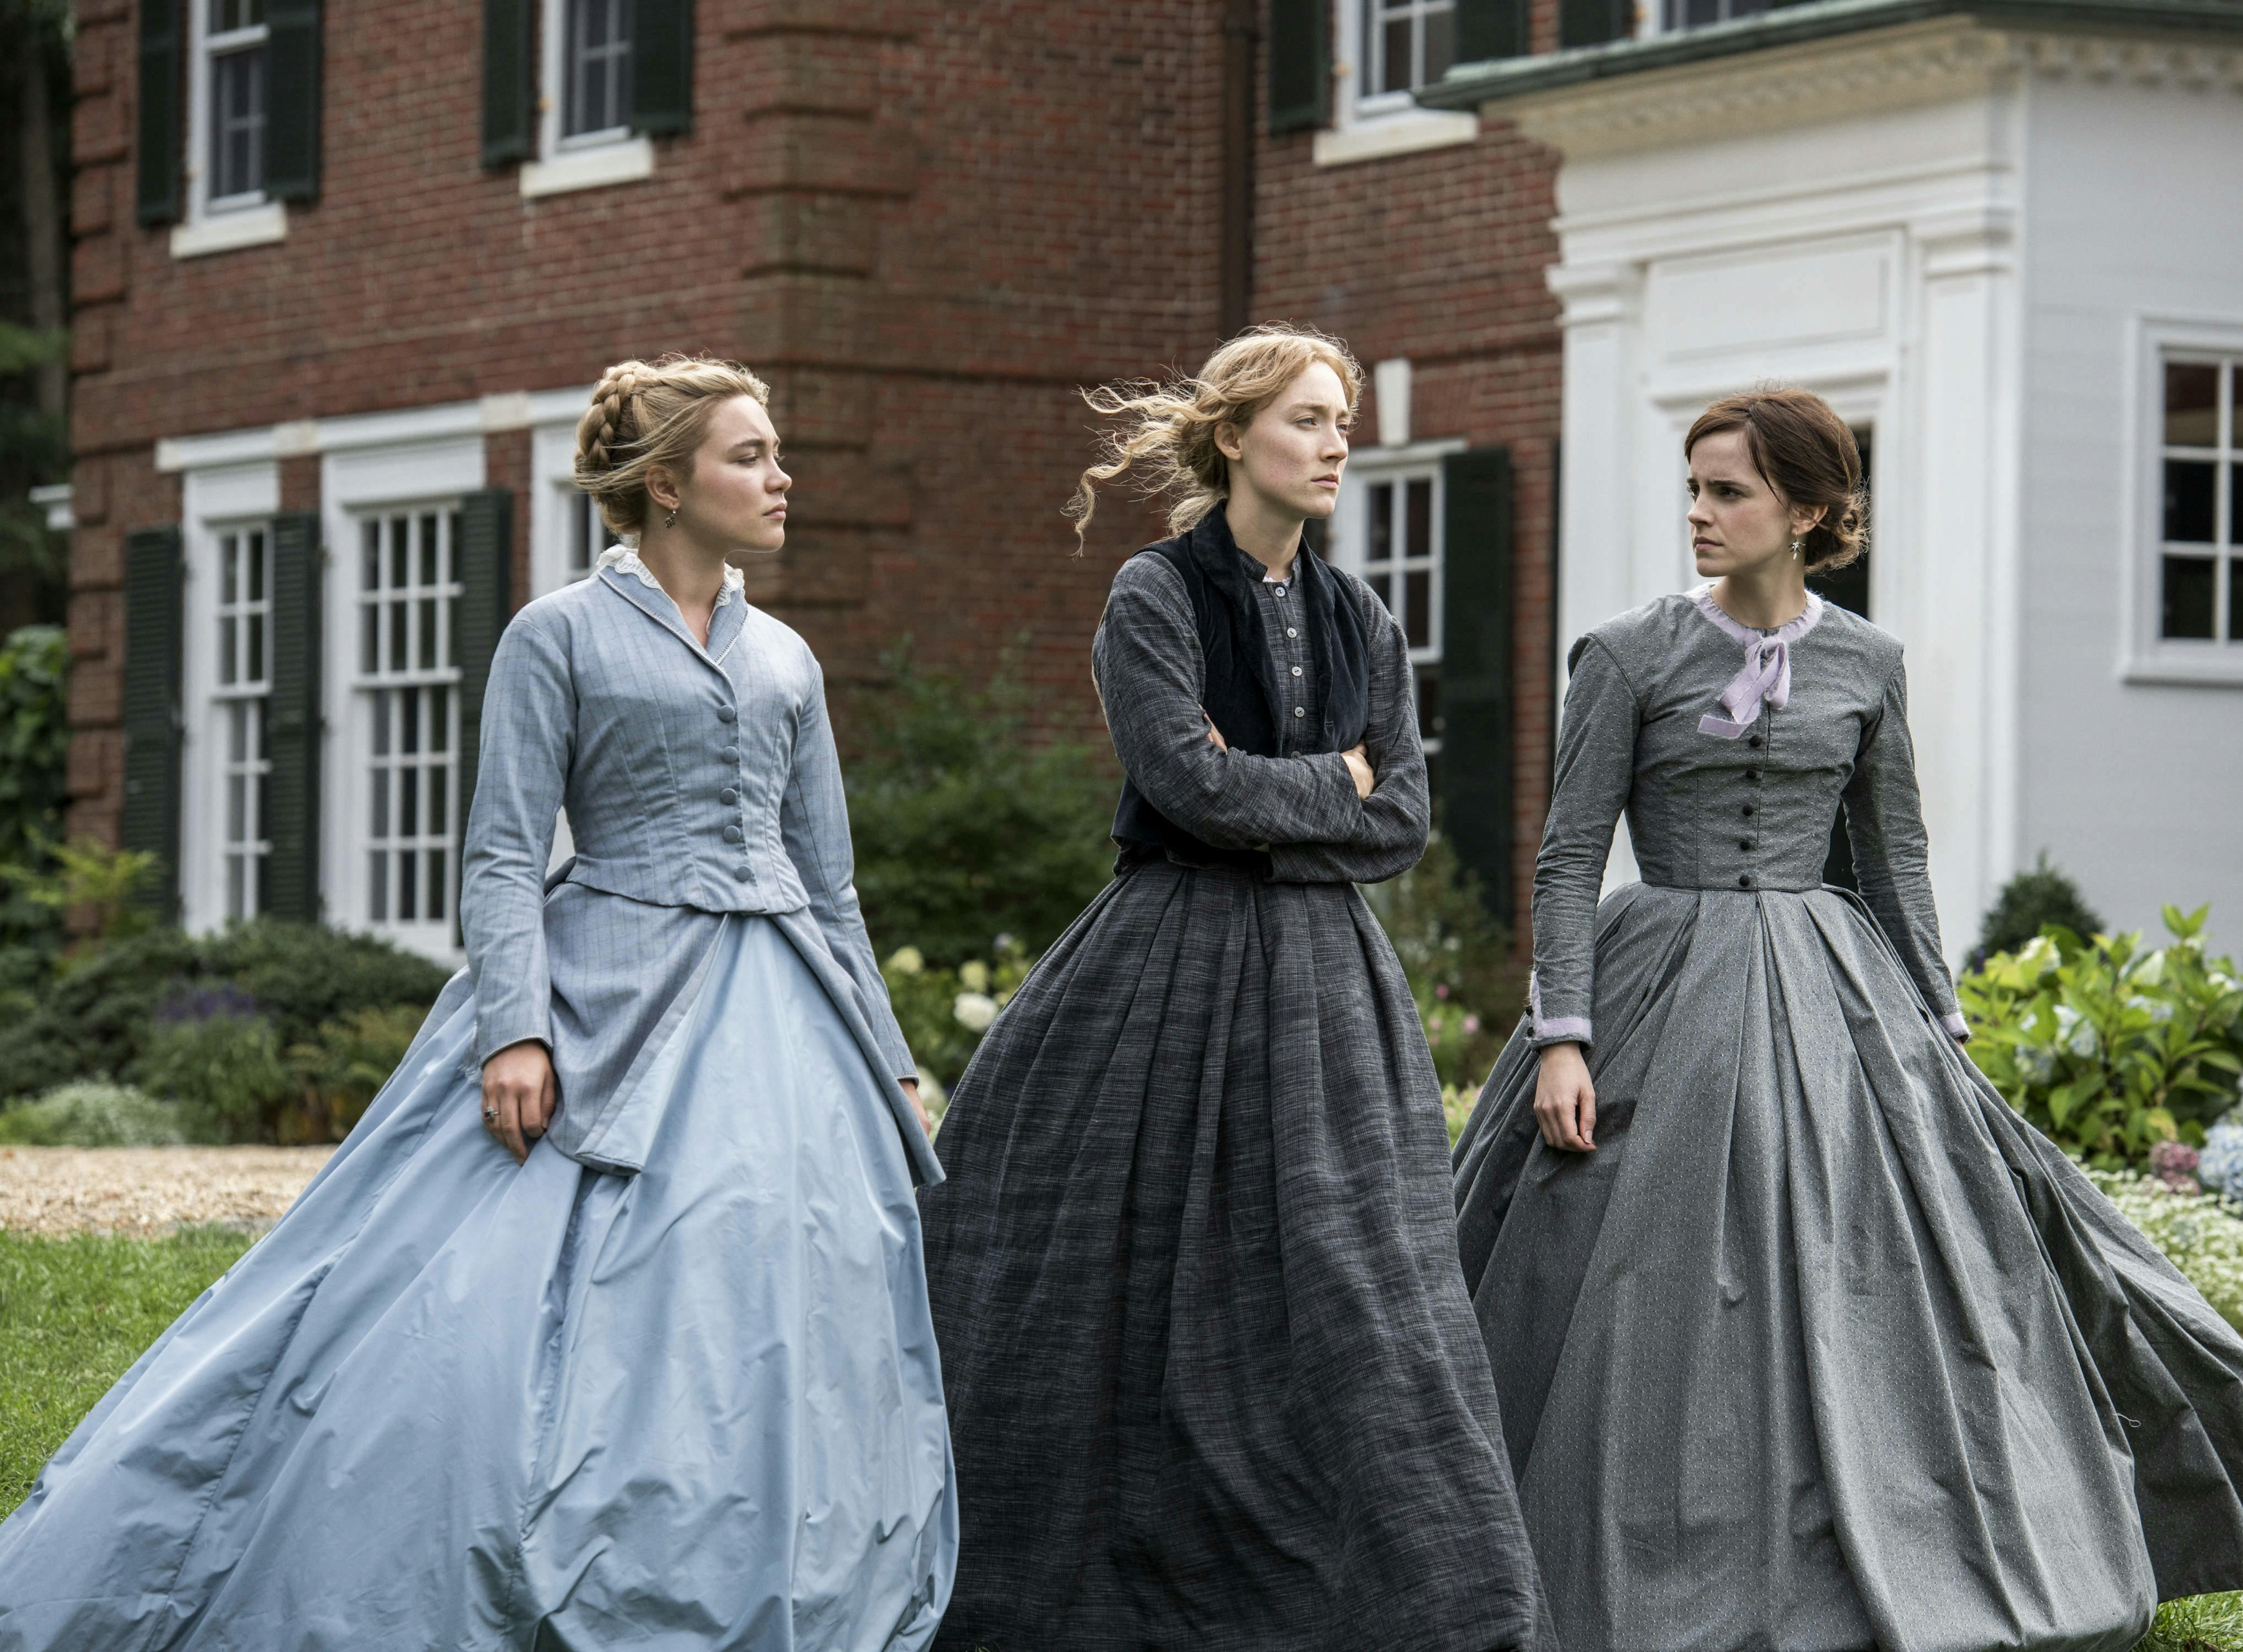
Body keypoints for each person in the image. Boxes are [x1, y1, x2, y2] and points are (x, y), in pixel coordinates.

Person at [0, 355, 957, 1651]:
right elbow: (505, 849)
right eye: (750, 456)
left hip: (784, 1003)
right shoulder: (556, 631)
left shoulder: (787, 655)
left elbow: (829, 879)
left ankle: (769, 1570)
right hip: (599, 987)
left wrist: (889, 1057)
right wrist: (516, 1024)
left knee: (781, 1289)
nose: (783, 477)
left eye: (776, 453)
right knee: (476, 1304)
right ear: (665, 484)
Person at [1451, 388, 2243, 1652]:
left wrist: (1937, 1033)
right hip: (1650, 987)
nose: (1699, 513)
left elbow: (1893, 861)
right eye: (1693, 487)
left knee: (1876, 1280)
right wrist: (1562, 1030)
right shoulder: (1622, 656)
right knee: (1629, 1278)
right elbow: (1568, 856)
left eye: (1728, 490)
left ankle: (1887, 1531)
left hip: (1830, 992)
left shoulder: (1868, 665)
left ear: (1810, 510)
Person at [916, 325, 1549, 1651]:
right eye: (1309, 420)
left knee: (1355, 1276)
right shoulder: (1153, 595)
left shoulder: (1361, 613)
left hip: (1328, 981)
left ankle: (1414, 1595)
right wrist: (1334, 783)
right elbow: (1185, 789)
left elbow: (1407, 821)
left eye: (1341, 421)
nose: (1336, 445)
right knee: (1128, 1269)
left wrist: (1287, 794)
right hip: (1166, 963)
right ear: (1233, 438)